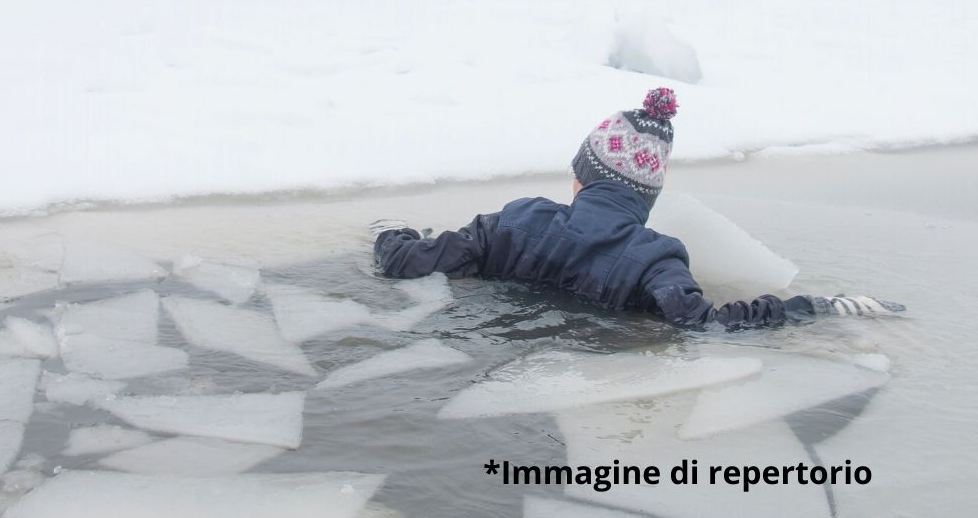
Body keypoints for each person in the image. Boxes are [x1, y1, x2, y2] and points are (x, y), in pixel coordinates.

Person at [371, 88, 903, 330]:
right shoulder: (657, 260)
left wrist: (393, 233)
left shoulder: (518, 221)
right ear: (646, 198)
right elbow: (706, 326)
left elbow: (404, 263)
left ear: (581, 178)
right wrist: (813, 307)